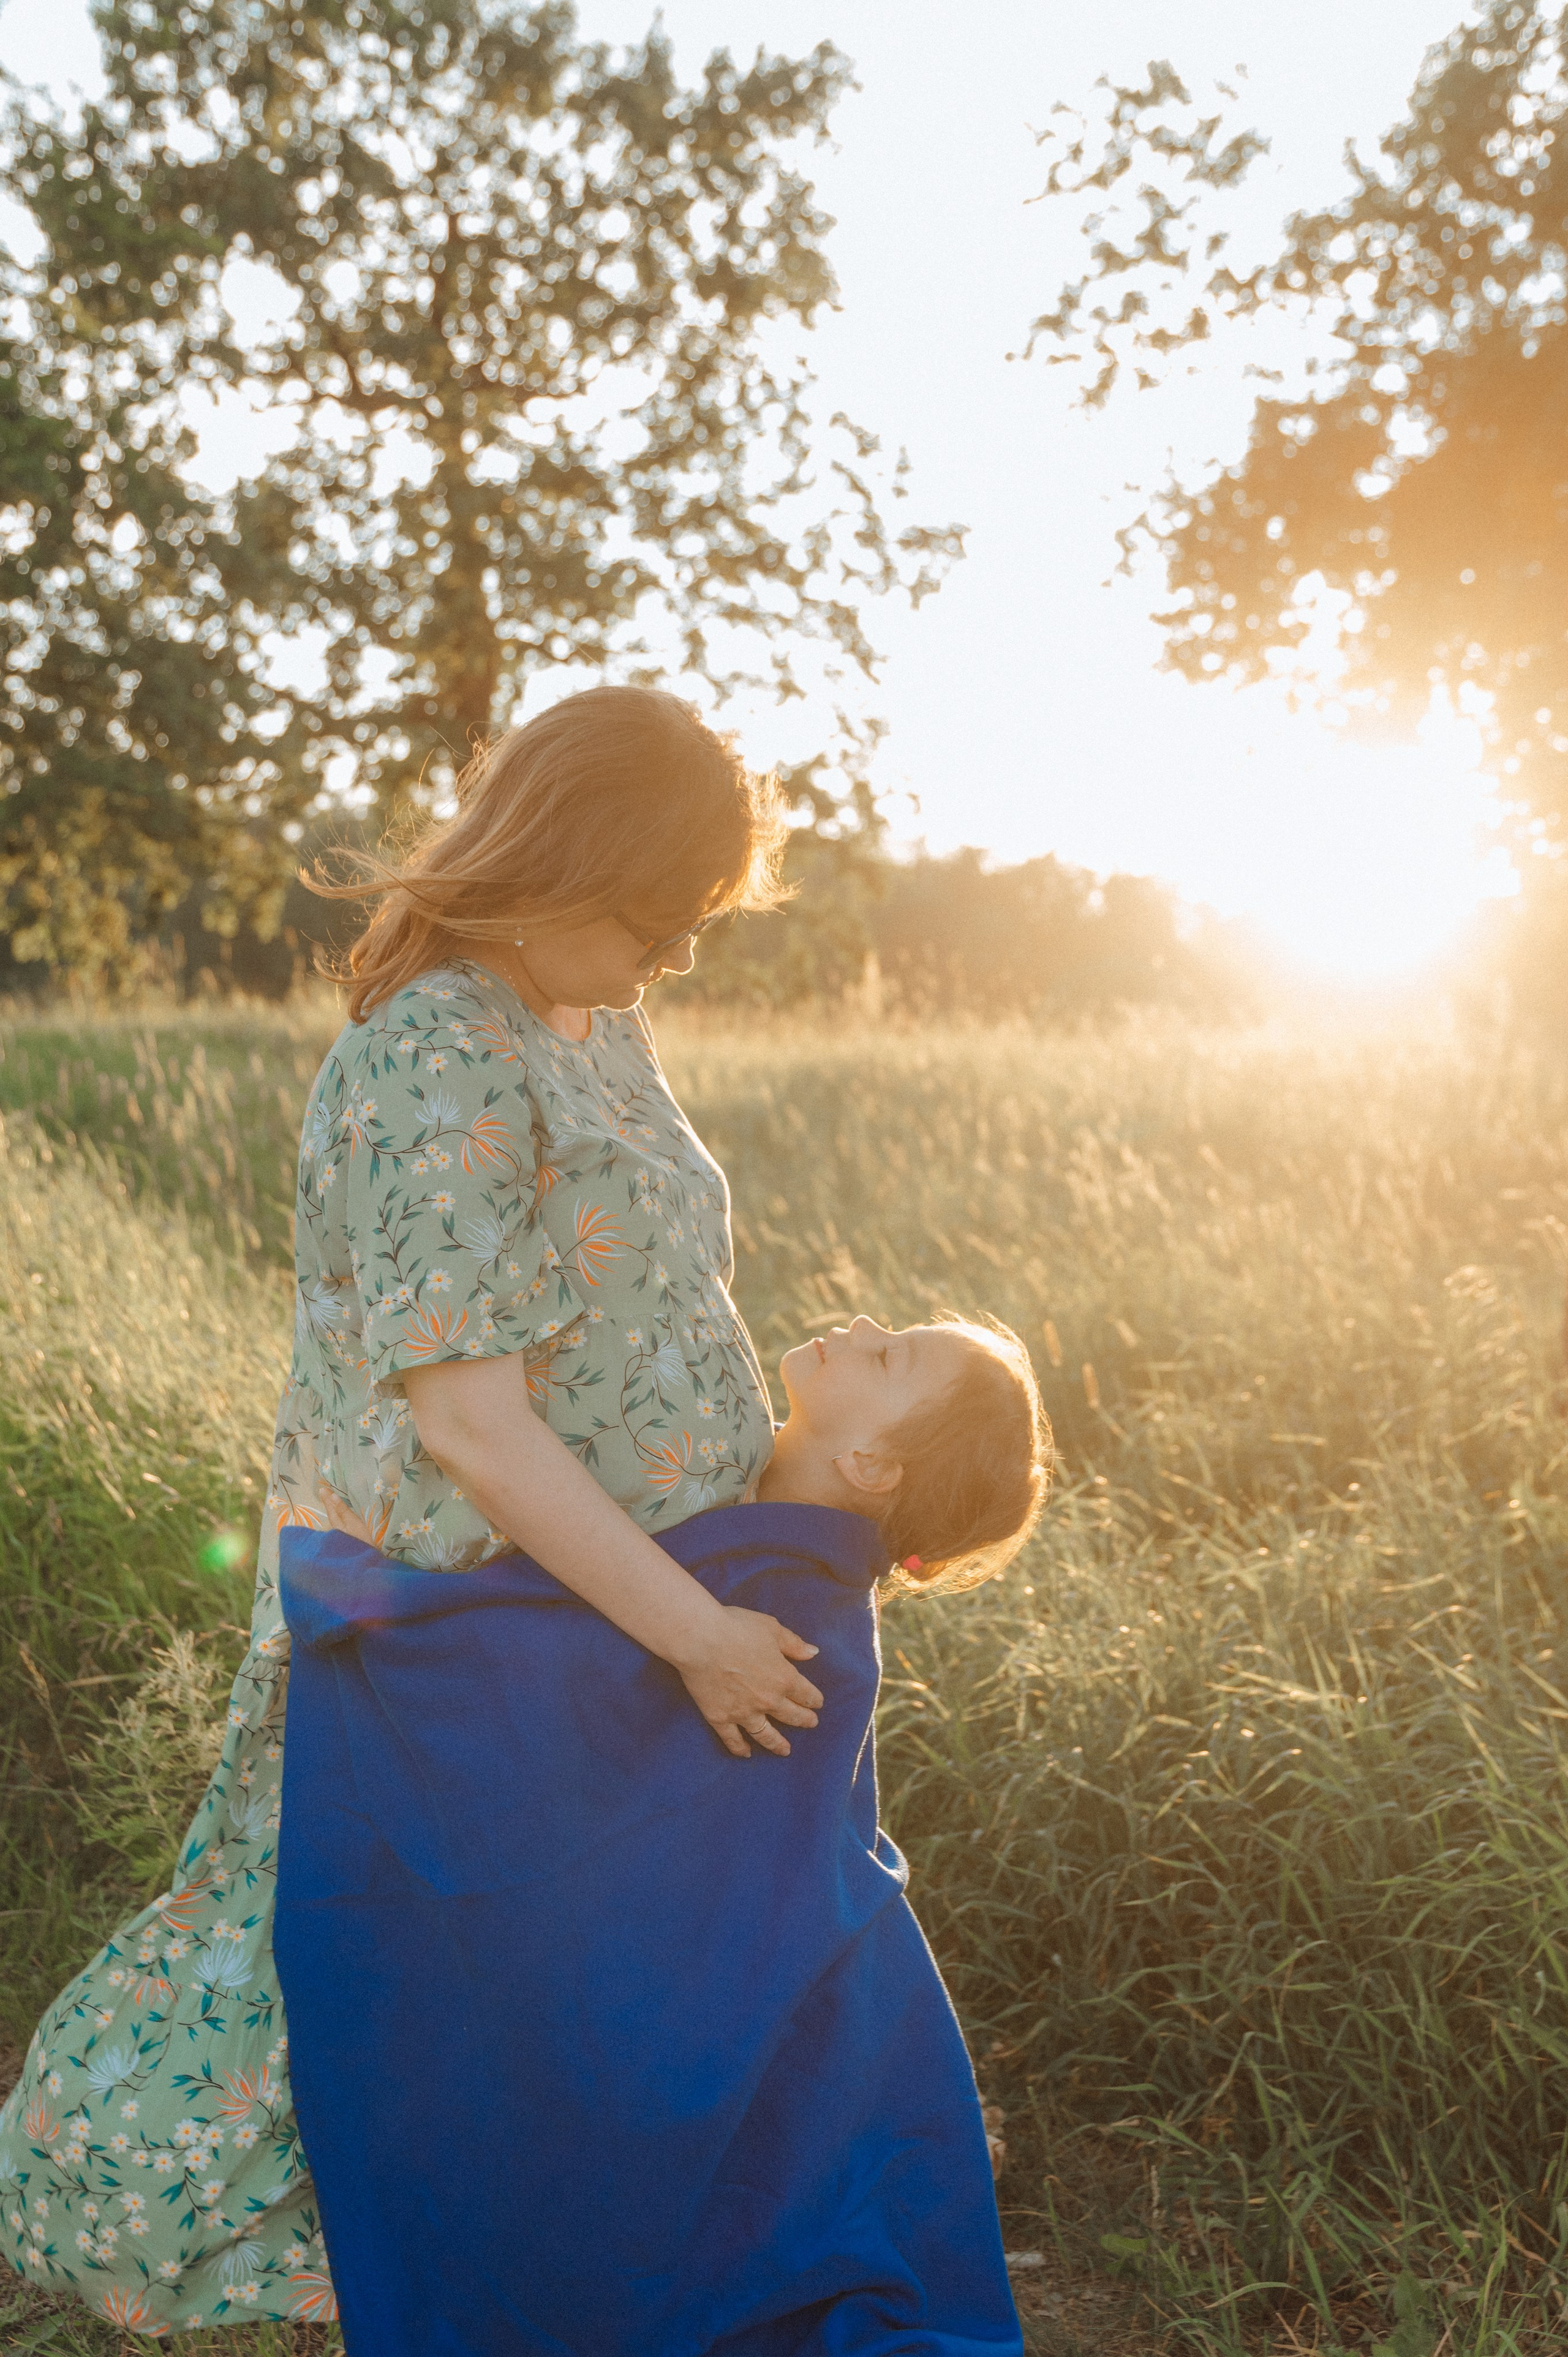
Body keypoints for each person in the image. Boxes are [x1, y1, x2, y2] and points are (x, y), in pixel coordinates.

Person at [0, 686, 1038, 2340]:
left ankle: (548, 2250)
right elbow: (473, 1425)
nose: (678, 957)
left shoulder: (589, 1012)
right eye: (665, 915)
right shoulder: (430, 1049)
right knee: (331, 1964)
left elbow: (638, 1292)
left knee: (563, 1993)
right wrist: (696, 1625)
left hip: (608, 1619)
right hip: (462, 1620)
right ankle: (190, 2237)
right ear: (570, 862)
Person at [276, 1309, 1050, 2357]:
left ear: (870, 1462)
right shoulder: (752, 1533)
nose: (864, 1325)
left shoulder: (793, 1608)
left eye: (889, 1355)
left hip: (692, 2021)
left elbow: (564, 1668)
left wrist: (357, 1599)